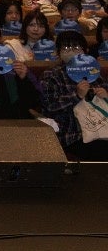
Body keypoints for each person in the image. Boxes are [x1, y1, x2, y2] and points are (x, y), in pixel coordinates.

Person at [40, 30, 108, 160]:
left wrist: (106, 96)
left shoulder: (94, 73)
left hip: (101, 128)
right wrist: (76, 96)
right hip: (72, 134)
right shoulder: (51, 75)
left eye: (76, 47)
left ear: (85, 51)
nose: (71, 51)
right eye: (66, 48)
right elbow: (49, 108)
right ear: (58, 53)